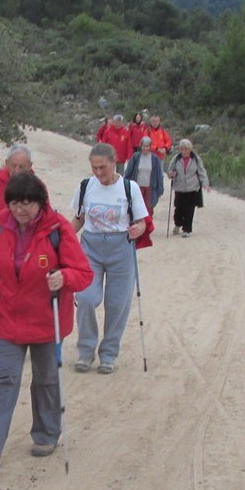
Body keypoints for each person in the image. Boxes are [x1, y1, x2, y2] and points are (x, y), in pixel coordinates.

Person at [0, 172, 93, 472]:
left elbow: (83, 273)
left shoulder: (58, 229)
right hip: (8, 319)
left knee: (46, 379)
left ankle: (46, 433)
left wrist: (64, 276)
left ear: (40, 203)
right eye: (14, 203)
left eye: (26, 203)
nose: (20, 210)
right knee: (6, 379)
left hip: (46, 320)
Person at [70, 143, 149, 374]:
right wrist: (60, 236)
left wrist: (138, 230)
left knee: (117, 304)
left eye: (102, 167)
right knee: (84, 298)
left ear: (114, 162)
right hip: (91, 246)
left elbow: (142, 221)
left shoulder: (129, 187)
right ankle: (85, 351)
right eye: (94, 167)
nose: (98, 172)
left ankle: (108, 355)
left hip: (121, 248)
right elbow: (79, 219)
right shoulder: (85, 186)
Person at [167, 138, 211, 238]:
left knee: (189, 209)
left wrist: (205, 184)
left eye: (186, 149)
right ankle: (178, 224)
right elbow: (170, 170)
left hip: (192, 188)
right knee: (178, 210)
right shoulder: (176, 158)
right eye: (182, 149)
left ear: (190, 149)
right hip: (179, 187)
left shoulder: (196, 158)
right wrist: (171, 174)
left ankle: (187, 229)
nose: (184, 151)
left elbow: (201, 172)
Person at [126, 135, 165, 215]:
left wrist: (160, 189)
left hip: (150, 188)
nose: (145, 148)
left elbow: (159, 175)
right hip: (137, 188)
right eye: (144, 146)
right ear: (141, 146)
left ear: (150, 147)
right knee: (136, 208)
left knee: (149, 210)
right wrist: (125, 185)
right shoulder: (135, 157)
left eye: (147, 146)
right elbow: (128, 172)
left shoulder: (155, 159)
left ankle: (148, 226)